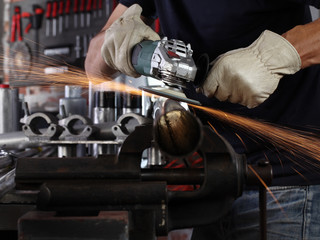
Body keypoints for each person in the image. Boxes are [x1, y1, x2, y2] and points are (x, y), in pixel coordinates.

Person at [85, 1, 320, 239]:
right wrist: (118, 44)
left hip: (286, 182)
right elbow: (92, 67)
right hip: (215, 181)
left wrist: (275, 56)